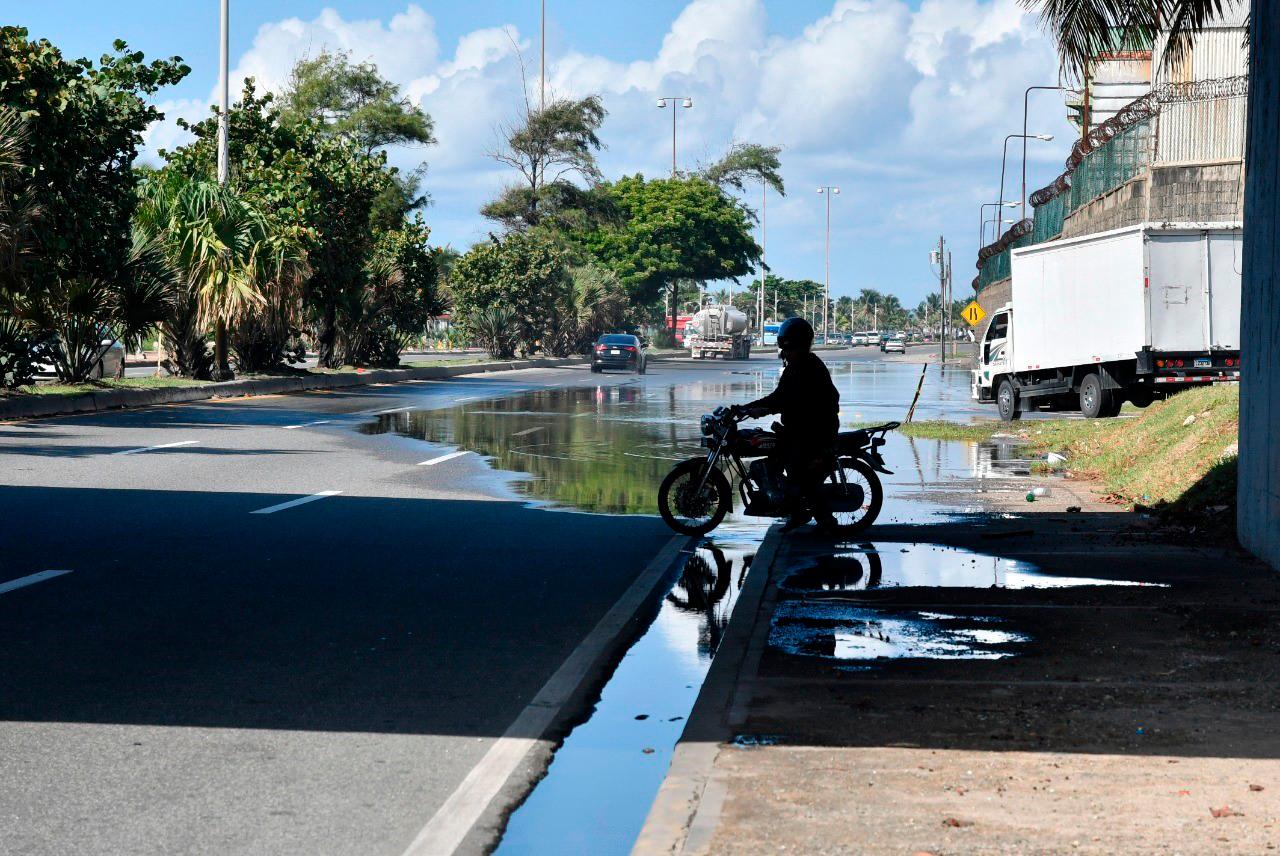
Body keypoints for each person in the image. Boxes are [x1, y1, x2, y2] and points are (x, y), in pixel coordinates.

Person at [737, 317, 840, 532]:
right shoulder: (795, 367)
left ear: (799, 345)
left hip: (816, 430)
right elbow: (779, 396)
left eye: (789, 349)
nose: (785, 354)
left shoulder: (809, 367)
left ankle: (815, 517)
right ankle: (791, 507)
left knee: (799, 470)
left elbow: (786, 400)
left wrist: (761, 409)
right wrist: (747, 407)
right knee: (776, 455)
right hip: (800, 428)